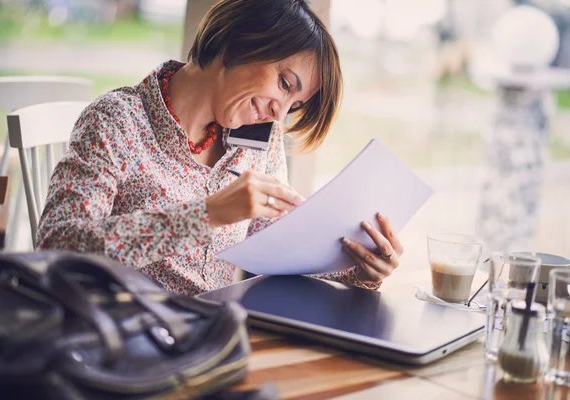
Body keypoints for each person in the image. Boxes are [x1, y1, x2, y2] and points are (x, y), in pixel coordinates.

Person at [36, 0, 404, 296]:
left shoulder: (259, 140)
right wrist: (207, 214)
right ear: (236, 44)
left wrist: (358, 266)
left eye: (294, 105)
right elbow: (56, 247)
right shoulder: (117, 120)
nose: (279, 112)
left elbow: (275, 251)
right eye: (284, 83)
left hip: (215, 337)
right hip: (122, 334)